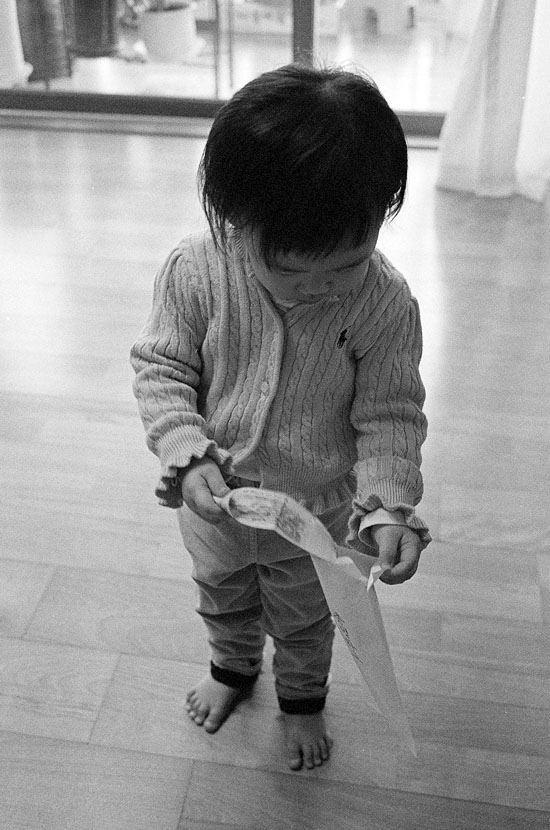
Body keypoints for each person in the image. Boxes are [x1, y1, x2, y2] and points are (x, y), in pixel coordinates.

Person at [130, 63, 431, 772]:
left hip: (316, 513)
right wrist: (186, 449)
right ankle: (232, 669)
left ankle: (301, 700)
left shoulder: (385, 303)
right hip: (215, 500)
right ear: (237, 220)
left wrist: (387, 505)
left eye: (347, 265)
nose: (319, 288)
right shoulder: (195, 272)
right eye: (292, 271)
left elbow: (391, 414)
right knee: (222, 594)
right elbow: (162, 370)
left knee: (305, 619)